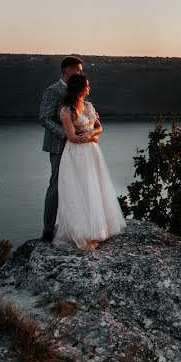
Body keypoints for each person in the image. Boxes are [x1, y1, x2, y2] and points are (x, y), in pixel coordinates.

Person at [54, 74, 126, 250]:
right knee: (79, 191)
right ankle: (83, 234)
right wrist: (91, 139)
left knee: (95, 188)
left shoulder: (89, 106)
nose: (89, 89)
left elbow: (99, 127)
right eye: (87, 86)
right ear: (79, 89)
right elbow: (71, 137)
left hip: (92, 153)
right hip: (76, 155)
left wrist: (90, 134)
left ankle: (97, 230)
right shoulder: (66, 110)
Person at [39, 56, 86, 242]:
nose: (81, 73)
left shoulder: (78, 92)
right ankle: (48, 230)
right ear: (67, 69)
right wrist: (66, 134)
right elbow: (44, 118)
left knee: (78, 185)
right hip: (59, 146)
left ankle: (75, 226)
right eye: (78, 69)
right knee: (56, 186)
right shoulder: (53, 91)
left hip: (78, 148)